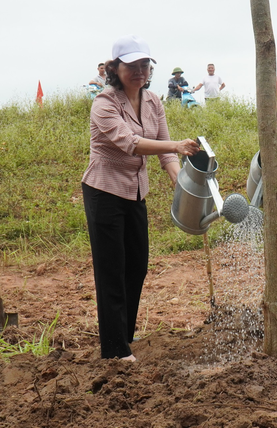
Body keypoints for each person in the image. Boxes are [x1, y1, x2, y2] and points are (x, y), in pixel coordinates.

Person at [81, 35, 200, 361]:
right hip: (104, 190)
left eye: (144, 65)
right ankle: (115, 351)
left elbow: (164, 154)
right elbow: (131, 143)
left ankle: (124, 337)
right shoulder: (104, 104)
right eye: (131, 65)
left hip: (135, 191)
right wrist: (175, 145)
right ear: (114, 69)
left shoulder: (153, 102)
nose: (139, 71)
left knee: (137, 266)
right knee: (111, 270)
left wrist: (182, 183)